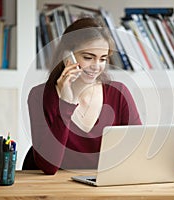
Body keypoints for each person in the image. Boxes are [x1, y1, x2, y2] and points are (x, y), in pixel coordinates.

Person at [32, 17, 142, 175]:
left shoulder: (119, 94)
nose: (96, 66)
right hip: (57, 189)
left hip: (105, 186)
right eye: (88, 57)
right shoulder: (39, 96)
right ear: (67, 55)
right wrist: (66, 103)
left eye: (103, 59)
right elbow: (49, 167)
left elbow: (138, 151)